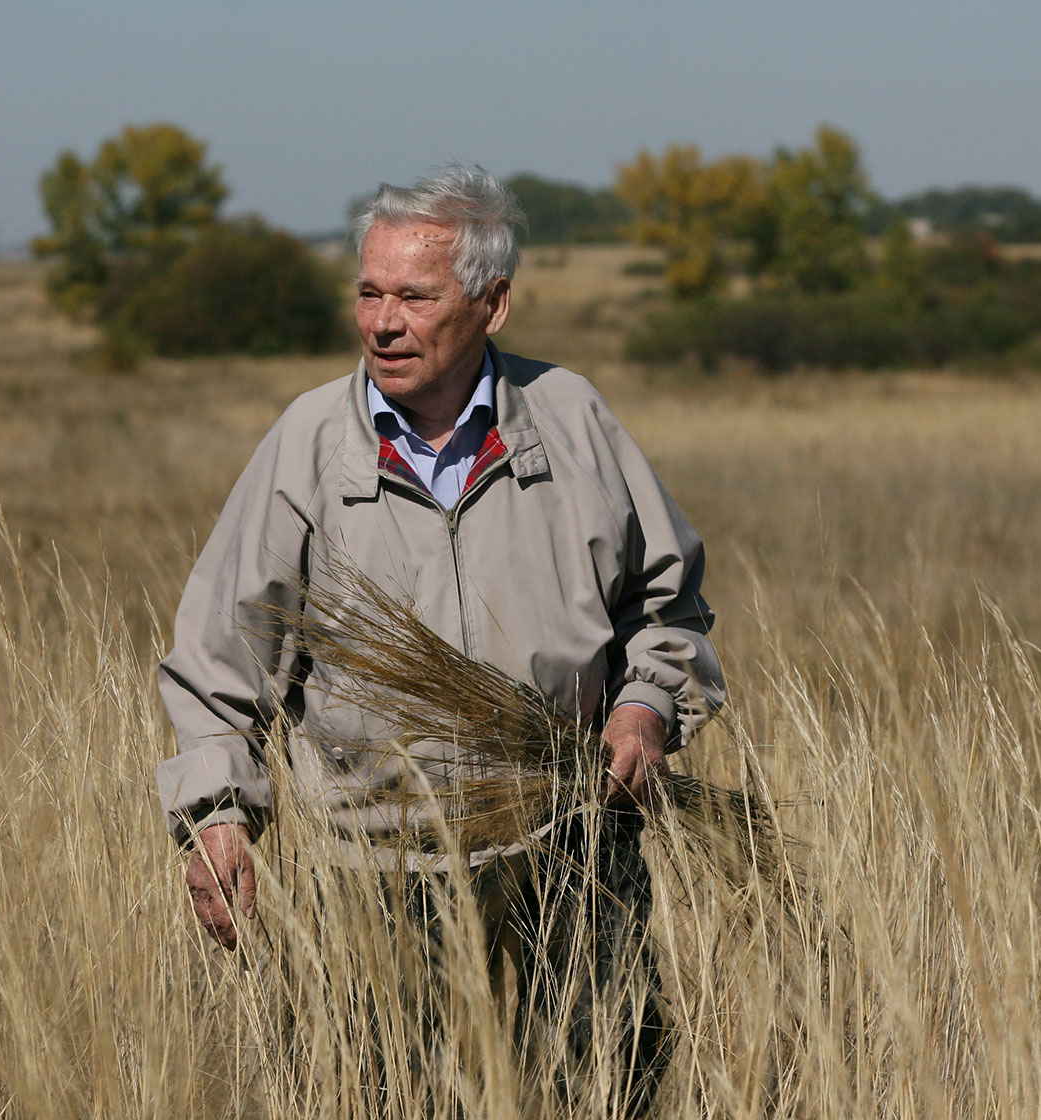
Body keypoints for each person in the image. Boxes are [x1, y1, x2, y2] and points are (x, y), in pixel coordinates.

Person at [155, 164, 726, 1113]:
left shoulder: (572, 421)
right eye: (369, 292)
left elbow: (666, 608)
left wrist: (643, 708)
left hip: (569, 845)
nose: (382, 322)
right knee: (381, 1097)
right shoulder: (309, 444)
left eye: (416, 297)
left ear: (492, 305)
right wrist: (218, 816)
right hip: (375, 867)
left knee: (605, 1090)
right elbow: (221, 656)